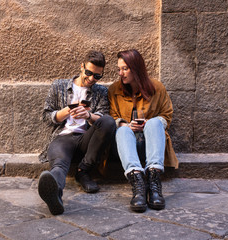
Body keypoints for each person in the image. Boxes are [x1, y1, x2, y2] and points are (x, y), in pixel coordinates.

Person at [38, 50, 116, 215]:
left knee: (109, 121)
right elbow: (46, 116)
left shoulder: (101, 92)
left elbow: (103, 118)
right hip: (62, 138)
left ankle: (83, 171)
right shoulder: (58, 86)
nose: (91, 79)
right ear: (81, 67)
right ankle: (55, 195)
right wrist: (65, 112)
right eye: (88, 73)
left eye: (97, 76)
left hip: (86, 140)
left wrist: (88, 115)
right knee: (58, 166)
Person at [108, 49, 178, 212]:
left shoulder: (157, 87)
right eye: (119, 69)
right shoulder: (114, 90)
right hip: (127, 149)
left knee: (154, 123)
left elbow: (167, 116)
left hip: (153, 147)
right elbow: (111, 117)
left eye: (125, 68)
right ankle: (138, 183)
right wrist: (125, 124)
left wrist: (148, 124)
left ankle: (154, 183)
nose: (121, 73)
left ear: (137, 68)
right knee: (122, 130)